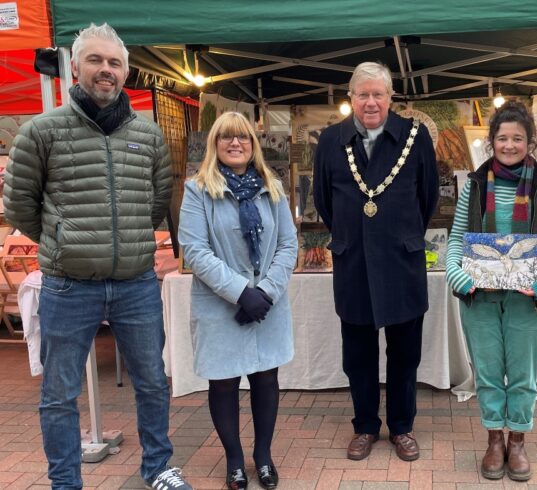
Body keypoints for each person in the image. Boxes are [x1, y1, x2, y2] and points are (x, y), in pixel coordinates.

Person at [3, 23, 192, 489]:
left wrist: (125, 242)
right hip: (69, 284)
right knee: (59, 393)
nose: (105, 70)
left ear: (125, 72)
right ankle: (65, 481)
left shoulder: (147, 135)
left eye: (114, 63)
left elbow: (155, 202)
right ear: (75, 67)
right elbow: (20, 206)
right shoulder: (41, 132)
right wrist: (63, 239)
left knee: (152, 381)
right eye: (95, 60)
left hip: (135, 283)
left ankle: (158, 467)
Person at [313, 61, 439, 462]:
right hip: (353, 263)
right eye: (362, 94)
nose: (370, 102)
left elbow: (428, 198)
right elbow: (323, 201)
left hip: (402, 263)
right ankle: (365, 425)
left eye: (378, 94)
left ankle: (402, 427)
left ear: (390, 98)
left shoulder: (415, 138)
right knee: (358, 354)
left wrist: (397, 234)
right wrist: (354, 235)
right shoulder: (331, 140)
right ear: (350, 99)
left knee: (405, 353)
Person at [445, 101, 537, 481]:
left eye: (517, 138)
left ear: (530, 142)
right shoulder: (476, 184)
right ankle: (494, 437)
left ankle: (518, 440)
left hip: (527, 300)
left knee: (523, 374)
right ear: (491, 142)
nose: (509, 145)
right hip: (480, 297)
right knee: (488, 373)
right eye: (502, 138)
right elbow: (457, 239)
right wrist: (455, 272)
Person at [179, 112, 297, 490]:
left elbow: (288, 245)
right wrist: (240, 293)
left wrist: (265, 292)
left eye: (243, 138)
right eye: (226, 138)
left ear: (253, 144)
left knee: (266, 379)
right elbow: (195, 250)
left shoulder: (273, 187)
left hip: (267, 305)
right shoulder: (197, 190)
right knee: (225, 383)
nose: (235, 144)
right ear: (214, 144)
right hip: (221, 306)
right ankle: (233, 459)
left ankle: (263, 455)